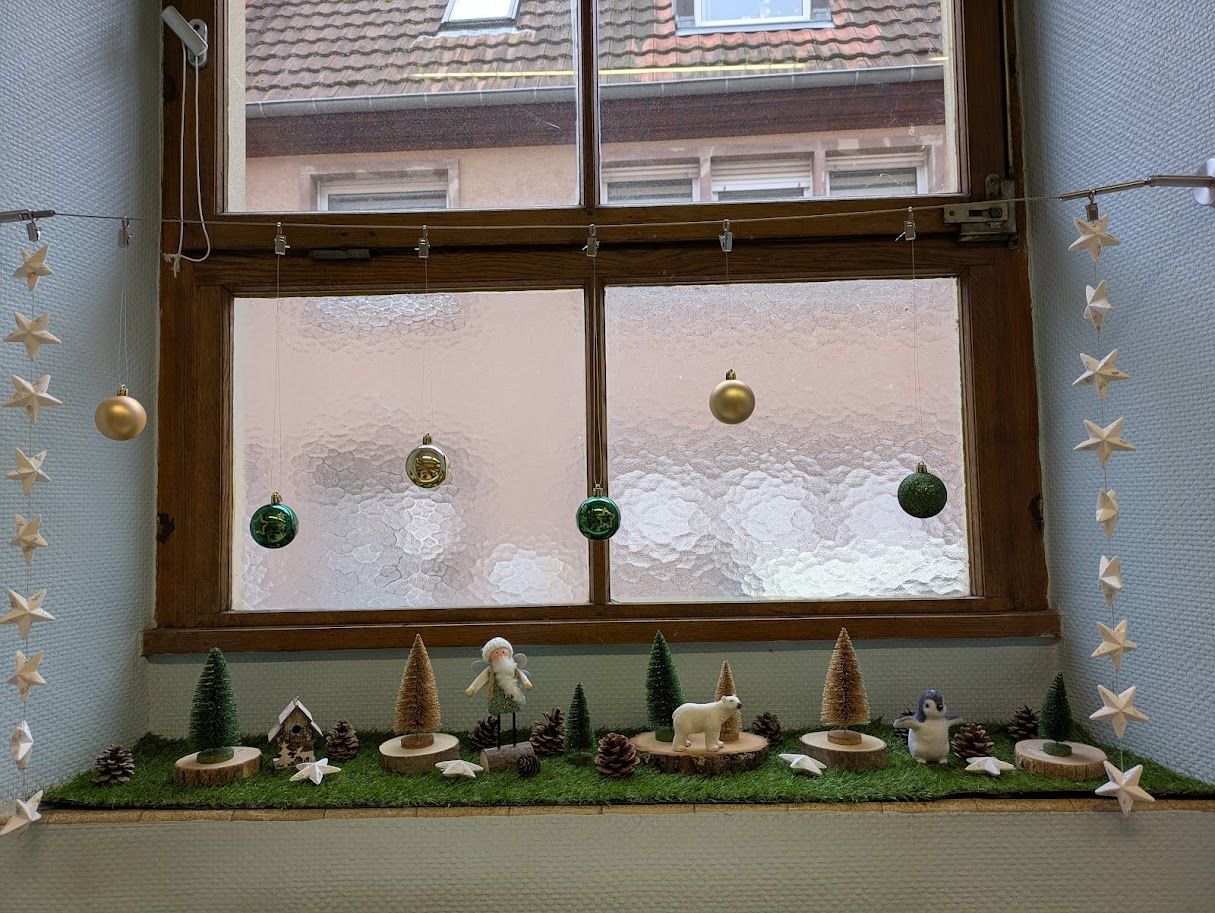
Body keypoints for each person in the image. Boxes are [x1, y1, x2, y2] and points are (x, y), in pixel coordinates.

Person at [465, 637, 533, 748]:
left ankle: (514, 742)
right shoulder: (490, 670)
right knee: (498, 716)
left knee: (514, 714)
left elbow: (521, 675)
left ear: (509, 653)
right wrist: (472, 689)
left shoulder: (513, 667)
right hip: (496, 697)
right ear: (489, 657)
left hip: (512, 695)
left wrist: (526, 683)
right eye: (496, 652)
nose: (500, 654)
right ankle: (499, 744)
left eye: (503, 651)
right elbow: (480, 679)